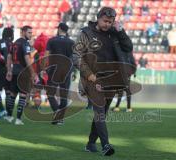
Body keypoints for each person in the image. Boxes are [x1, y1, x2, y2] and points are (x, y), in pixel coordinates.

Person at [74, 7, 134, 156]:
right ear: (98, 17)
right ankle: (106, 145)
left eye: (110, 22)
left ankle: (90, 143)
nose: (107, 24)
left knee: (102, 113)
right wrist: (89, 75)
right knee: (100, 111)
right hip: (92, 79)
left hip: (111, 79)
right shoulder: (86, 33)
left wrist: (120, 31)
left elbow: (128, 47)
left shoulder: (114, 33)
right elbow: (76, 56)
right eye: (105, 21)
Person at [43, 23, 74, 125]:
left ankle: (56, 111)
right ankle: (60, 118)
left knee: (50, 93)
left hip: (54, 69)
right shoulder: (71, 42)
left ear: (59, 29)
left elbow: (46, 55)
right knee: (64, 95)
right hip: (66, 69)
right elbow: (74, 58)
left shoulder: (52, 40)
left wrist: (44, 68)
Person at [5, 25, 35, 125]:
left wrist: (9, 70)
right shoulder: (25, 44)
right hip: (23, 72)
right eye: (29, 32)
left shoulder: (14, 43)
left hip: (14, 71)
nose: (31, 34)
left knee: (12, 94)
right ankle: (18, 119)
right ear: (23, 32)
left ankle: (9, 116)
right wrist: (33, 73)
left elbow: (9, 57)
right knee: (22, 95)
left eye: (31, 32)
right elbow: (27, 59)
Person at [0, 27, 14, 119]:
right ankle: (8, 113)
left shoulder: (0, 42)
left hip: (0, 69)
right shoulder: (12, 44)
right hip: (10, 69)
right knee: (8, 91)